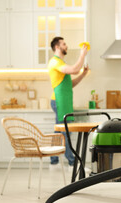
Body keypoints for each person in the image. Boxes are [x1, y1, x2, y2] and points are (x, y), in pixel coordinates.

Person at [48, 36, 89, 167]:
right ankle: (72, 160)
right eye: (64, 44)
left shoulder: (60, 63)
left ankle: (53, 158)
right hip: (59, 101)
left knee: (60, 131)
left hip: (64, 101)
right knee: (65, 130)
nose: (66, 46)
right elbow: (74, 69)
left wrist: (83, 74)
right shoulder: (55, 62)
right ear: (57, 47)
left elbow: (70, 84)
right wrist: (82, 55)